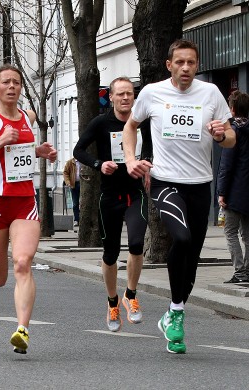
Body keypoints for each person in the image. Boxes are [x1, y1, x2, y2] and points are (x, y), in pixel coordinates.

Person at [123, 39, 236, 354]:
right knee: (182, 240)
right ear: (169, 64)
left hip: (200, 185)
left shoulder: (210, 94)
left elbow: (230, 138)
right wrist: (131, 159)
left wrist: (220, 134)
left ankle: (173, 313)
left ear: (197, 65)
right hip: (165, 181)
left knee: (192, 264)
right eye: (180, 62)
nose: (186, 68)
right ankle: (177, 312)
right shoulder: (152, 93)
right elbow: (131, 126)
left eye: (191, 63)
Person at [0, 64, 57, 354]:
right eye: (6, 82)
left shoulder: (29, 117)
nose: (12, 87)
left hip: (24, 201)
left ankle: (22, 330)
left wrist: (41, 151)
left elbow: (24, 153)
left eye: (16, 82)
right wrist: (0, 141)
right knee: (0, 277)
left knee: (22, 263)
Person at [74, 76, 152, 332]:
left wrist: (148, 165)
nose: (126, 98)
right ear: (111, 97)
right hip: (109, 196)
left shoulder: (143, 121)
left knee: (137, 243)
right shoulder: (101, 122)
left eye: (129, 93)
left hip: (136, 194)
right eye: (120, 94)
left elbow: (152, 148)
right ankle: (112, 301)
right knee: (110, 253)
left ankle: (130, 294)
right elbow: (79, 150)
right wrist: (99, 164)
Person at [217, 91, 249, 283]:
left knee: (230, 232)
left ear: (233, 109)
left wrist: (221, 192)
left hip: (235, 192)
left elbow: (226, 166)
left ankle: (239, 272)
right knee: (247, 234)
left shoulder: (233, 132)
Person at [63, 157, 81, 226]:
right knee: (75, 203)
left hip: (83, 183)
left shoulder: (84, 161)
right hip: (74, 184)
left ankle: (82, 219)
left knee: (83, 203)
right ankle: (76, 219)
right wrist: (68, 182)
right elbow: (65, 172)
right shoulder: (70, 162)